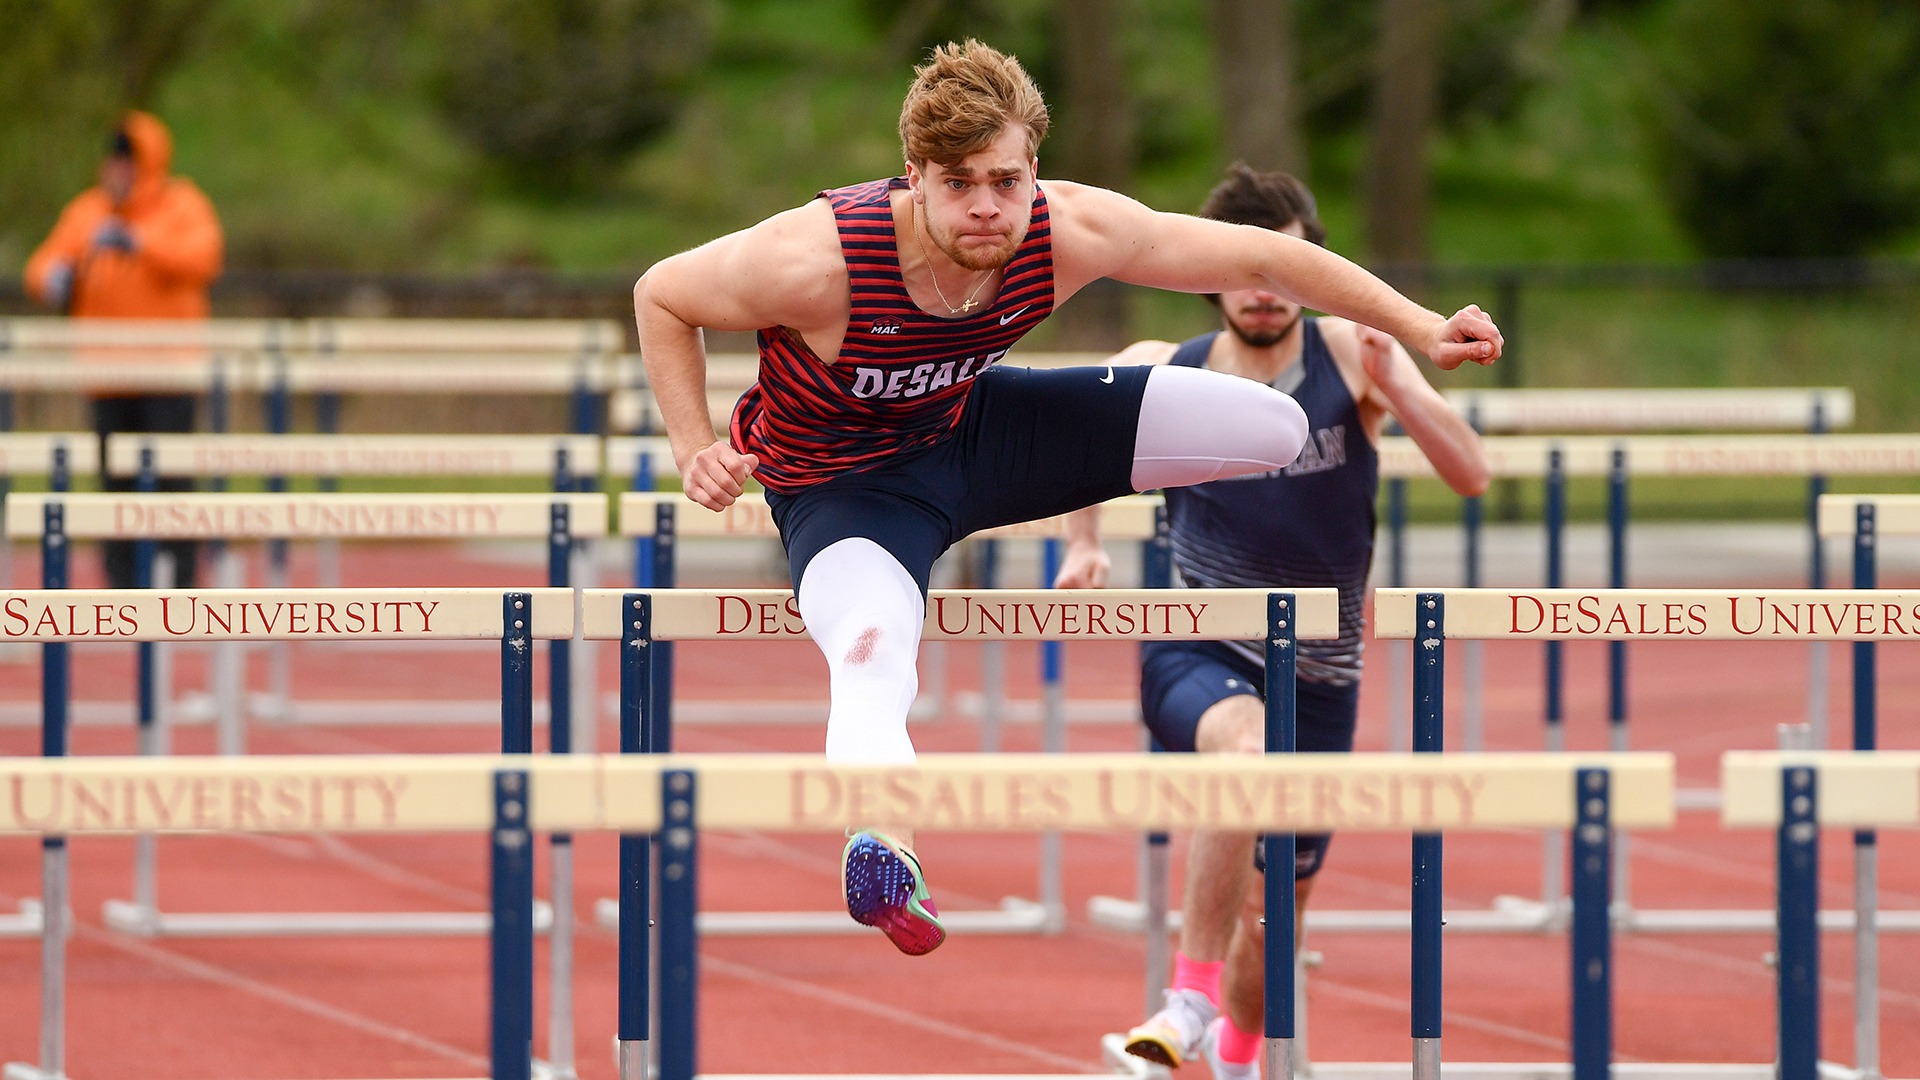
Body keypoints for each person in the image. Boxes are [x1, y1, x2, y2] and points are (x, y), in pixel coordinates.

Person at [632, 40, 1500, 957]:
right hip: (850, 491)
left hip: (978, 433)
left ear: (1033, 170)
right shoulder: (814, 260)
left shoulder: (1068, 228)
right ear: (914, 177)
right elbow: (661, 295)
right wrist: (695, 448)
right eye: (959, 184)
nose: (984, 208)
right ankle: (884, 847)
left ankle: (1174, 555)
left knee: (1277, 428)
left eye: (1005, 182)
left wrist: (1419, 324)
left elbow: (1262, 257)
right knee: (872, 649)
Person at [1052, 165, 1491, 1078]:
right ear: (1212, 272)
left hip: (1322, 678)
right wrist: (1082, 544)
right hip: (1197, 646)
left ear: (1309, 269)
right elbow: (1075, 433)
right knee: (1243, 762)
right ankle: (1185, 1003)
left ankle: (1238, 1055)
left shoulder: (1351, 355)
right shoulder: (1165, 367)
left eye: (1282, 266)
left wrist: (1398, 388)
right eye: (1245, 267)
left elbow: (1472, 473)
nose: (1261, 287)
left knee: (1275, 924)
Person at [24, 110, 224, 589]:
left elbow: (204, 257)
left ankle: (177, 585)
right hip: (107, 375)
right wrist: (54, 279)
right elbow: (43, 265)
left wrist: (141, 244)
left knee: (172, 483)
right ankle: (120, 590)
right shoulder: (86, 211)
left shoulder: (181, 205)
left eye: (128, 162)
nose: (118, 171)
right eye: (113, 162)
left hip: (168, 375)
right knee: (116, 485)